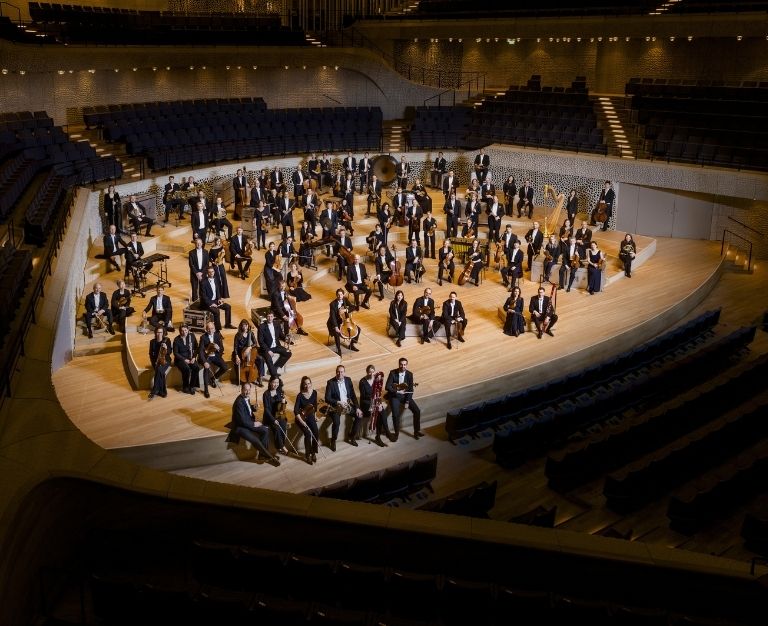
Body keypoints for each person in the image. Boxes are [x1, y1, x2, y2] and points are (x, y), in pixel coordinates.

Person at [225, 383, 280, 466]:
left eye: (249, 390)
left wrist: (253, 407)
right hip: (240, 427)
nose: (247, 392)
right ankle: (270, 457)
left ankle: (262, 456)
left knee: (265, 430)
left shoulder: (245, 398)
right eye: (245, 390)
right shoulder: (238, 402)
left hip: (248, 422)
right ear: (241, 390)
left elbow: (247, 408)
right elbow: (242, 421)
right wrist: (254, 424)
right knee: (255, 440)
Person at [324, 364, 364, 450]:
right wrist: (338, 402)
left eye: (341, 372)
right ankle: (333, 440)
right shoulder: (331, 382)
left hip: (347, 405)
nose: (340, 373)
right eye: (338, 372)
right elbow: (327, 398)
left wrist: (357, 407)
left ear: (344, 373)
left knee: (359, 415)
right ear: (336, 372)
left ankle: (352, 436)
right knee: (337, 422)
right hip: (336, 406)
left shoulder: (348, 380)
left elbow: (353, 395)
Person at [385, 357, 422, 440]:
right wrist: (397, 391)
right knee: (395, 415)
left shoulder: (409, 374)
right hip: (395, 396)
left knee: (417, 411)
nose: (403, 366)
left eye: (404, 364)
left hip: (405, 396)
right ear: (399, 364)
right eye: (401, 364)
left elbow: (411, 389)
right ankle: (396, 434)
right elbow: (387, 387)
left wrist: (407, 401)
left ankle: (416, 431)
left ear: (406, 365)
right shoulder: (392, 373)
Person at [359, 365, 393, 446]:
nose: (371, 374)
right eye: (369, 372)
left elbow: (379, 393)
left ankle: (383, 433)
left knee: (383, 413)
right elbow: (363, 396)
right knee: (378, 413)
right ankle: (380, 436)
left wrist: (379, 402)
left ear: (374, 372)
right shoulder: (362, 382)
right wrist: (374, 401)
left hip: (375, 401)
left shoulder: (376, 379)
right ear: (367, 372)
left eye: (372, 372)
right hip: (366, 403)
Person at [257, 311, 292, 377]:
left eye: (271, 316)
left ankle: (275, 368)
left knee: (288, 353)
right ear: (266, 317)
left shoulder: (277, 324)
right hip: (267, 348)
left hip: (276, 346)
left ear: (273, 317)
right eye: (268, 316)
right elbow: (260, 341)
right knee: (268, 359)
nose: (270, 318)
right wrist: (268, 350)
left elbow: (281, 335)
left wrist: (286, 339)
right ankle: (274, 375)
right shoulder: (262, 326)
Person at [294, 376, 320, 464]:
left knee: (316, 432)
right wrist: (302, 422)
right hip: (300, 418)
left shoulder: (314, 393)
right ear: (302, 385)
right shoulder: (300, 395)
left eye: (308, 383)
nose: (307, 385)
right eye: (305, 384)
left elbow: (314, 406)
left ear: (311, 384)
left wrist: (315, 416)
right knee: (308, 434)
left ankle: (313, 453)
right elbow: (296, 411)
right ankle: (307, 455)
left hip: (310, 416)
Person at [328, 289, 360, 356]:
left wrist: (346, 310)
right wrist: (336, 327)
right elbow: (332, 317)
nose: (340, 296)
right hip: (335, 322)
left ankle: (352, 345)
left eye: (341, 294)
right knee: (337, 332)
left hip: (345, 321)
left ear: (343, 295)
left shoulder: (345, 300)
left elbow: (353, 307)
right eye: (338, 295)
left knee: (358, 329)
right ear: (336, 295)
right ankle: (339, 350)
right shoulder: (332, 304)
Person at [232, 318, 264, 387]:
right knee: (237, 362)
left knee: (260, 359)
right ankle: (240, 378)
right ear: (241, 326)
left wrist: (249, 347)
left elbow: (255, 343)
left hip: (250, 352)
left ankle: (260, 377)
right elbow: (235, 347)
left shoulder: (250, 333)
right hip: (240, 352)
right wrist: (237, 356)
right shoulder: (238, 335)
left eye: (246, 325)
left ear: (248, 326)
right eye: (243, 326)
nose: (245, 327)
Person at [262, 376, 289, 455]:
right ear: (270, 383)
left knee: (283, 426)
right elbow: (266, 410)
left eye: (277, 382)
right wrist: (273, 420)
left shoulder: (280, 391)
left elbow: (282, 407)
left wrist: (284, 401)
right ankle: (282, 447)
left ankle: (281, 445)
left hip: (279, 415)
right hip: (270, 417)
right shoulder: (266, 394)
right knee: (276, 428)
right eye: (274, 382)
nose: (275, 384)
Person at [201, 266, 234, 331]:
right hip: (207, 303)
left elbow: (218, 290)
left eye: (212, 271)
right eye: (209, 272)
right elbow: (203, 296)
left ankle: (227, 324)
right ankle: (218, 330)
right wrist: (211, 303)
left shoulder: (215, 279)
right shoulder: (203, 283)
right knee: (216, 312)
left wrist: (219, 299)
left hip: (216, 301)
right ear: (207, 273)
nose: (211, 273)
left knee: (228, 307)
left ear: (214, 272)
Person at [173, 324, 201, 395]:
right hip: (180, 359)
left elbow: (196, 347)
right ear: (179, 331)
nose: (184, 332)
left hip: (191, 357)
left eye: (185, 330)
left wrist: (194, 357)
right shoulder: (176, 340)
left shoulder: (191, 336)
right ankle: (185, 386)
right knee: (186, 369)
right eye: (182, 331)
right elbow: (176, 353)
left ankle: (192, 386)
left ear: (188, 330)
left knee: (196, 367)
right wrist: (184, 360)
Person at [148, 326, 172, 399]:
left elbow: (170, 352)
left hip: (165, 360)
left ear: (163, 333)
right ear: (155, 332)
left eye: (161, 332)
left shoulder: (167, 340)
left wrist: (166, 349)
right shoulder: (152, 342)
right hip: (156, 362)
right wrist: (153, 364)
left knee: (159, 370)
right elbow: (150, 354)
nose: (159, 334)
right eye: (158, 332)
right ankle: (163, 392)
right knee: (160, 371)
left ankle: (155, 390)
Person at [188, 237, 209, 303]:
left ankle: (202, 302)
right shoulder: (191, 252)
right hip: (194, 273)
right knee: (194, 288)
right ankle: (194, 302)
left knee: (202, 288)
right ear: (195, 244)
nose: (198, 244)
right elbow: (191, 265)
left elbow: (207, 264)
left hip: (203, 272)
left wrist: (201, 273)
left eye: (200, 243)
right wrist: (197, 273)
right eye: (197, 243)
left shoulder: (206, 252)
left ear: (202, 244)